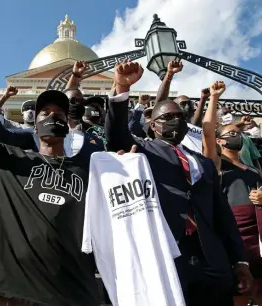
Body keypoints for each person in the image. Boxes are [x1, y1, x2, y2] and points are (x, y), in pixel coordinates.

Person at [0, 40, 100, 305]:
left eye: (59, 113)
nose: (52, 117)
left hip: (71, 293)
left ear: (68, 124)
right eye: (45, 112)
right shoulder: (11, 160)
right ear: (34, 125)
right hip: (13, 292)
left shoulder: (88, 169)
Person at [105, 60, 252, 306]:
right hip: (166, 254)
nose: (176, 120)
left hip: (211, 259)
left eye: (180, 116)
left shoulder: (203, 163)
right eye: (168, 117)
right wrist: (120, 87)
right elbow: (116, 134)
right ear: (153, 126)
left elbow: (223, 214)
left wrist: (240, 261)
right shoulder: (141, 152)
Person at [202, 81, 262, 306]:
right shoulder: (217, 165)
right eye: (231, 133)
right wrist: (214, 98)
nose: (237, 136)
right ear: (219, 141)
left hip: (258, 237)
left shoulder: (254, 169)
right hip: (234, 236)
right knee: (239, 291)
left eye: (239, 133)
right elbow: (208, 129)